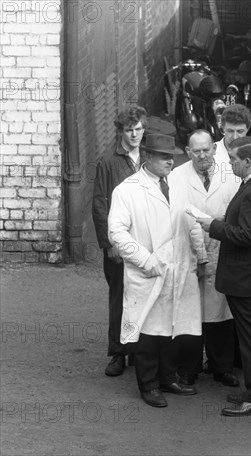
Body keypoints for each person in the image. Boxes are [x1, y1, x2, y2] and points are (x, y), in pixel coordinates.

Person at [108, 134, 202, 408]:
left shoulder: (177, 184)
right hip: (147, 272)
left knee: (171, 327)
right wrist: (146, 261)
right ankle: (148, 385)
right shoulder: (127, 190)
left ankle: (167, 378)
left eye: (171, 156)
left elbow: (190, 217)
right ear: (147, 156)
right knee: (148, 331)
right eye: (163, 156)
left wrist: (200, 254)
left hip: (177, 269)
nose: (170, 161)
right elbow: (117, 233)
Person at [195, 136, 251, 417]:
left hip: (247, 278)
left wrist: (213, 226)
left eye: (232, 159)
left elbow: (247, 235)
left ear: (247, 161)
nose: (229, 163)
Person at [169, 130, 240, 388]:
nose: (202, 155)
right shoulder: (177, 176)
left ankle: (222, 367)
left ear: (214, 148)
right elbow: (179, 214)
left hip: (222, 247)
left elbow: (237, 208)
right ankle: (188, 369)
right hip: (189, 251)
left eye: (206, 149)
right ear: (188, 152)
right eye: (196, 151)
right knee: (190, 313)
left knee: (220, 311)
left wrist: (220, 222)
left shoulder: (230, 173)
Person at [92, 105, 147, 377]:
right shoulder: (108, 162)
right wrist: (109, 242)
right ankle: (117, 353)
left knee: (143, 296)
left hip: (145, 241)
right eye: (129, 130)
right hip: (118, 242)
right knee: (119, 299)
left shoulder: (149, 157)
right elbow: (100, 204)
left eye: (138, 129)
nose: (135, 134)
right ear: (120, 132)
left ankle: (138, 350)